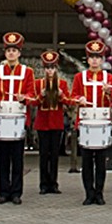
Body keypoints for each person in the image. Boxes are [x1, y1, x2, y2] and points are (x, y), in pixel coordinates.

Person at [0, 32, 36, 205]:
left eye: (14, 50)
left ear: (19, 53)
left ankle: (16, 193)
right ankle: (3, 192)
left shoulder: (27, 72)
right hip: (1, 117)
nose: (11, 53)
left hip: (18, 118)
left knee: (18, 158)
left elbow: (32, 94)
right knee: (2, 158)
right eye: (8, 51)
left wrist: (24, 98)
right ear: (5, 53)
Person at [71, 39, 112, 205]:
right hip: (86, 122)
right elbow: (73, 96)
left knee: (101, 161)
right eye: (92, 57)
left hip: (102, 123)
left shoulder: (109, 78)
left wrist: (109, 93)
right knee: (86, 161)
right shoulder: (80, 77)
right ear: (88, 59)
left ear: (102, 60)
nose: (94, 60)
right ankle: (88, 193)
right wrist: (80, 99)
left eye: (98, 57)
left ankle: (99, 193)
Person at [31, 49, 72, 195]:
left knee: (54, 155)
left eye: (52, 67)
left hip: (56, 123)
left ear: (56, 69)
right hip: (42, 123)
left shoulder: (62, 83)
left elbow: (69, 101)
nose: (50, 70)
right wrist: (40, 96)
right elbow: (33, 102)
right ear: (44, 69)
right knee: (43, 155)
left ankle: (53, 183)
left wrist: (61, 96)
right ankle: (43, 184)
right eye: (47, 67)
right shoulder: (38, 83)